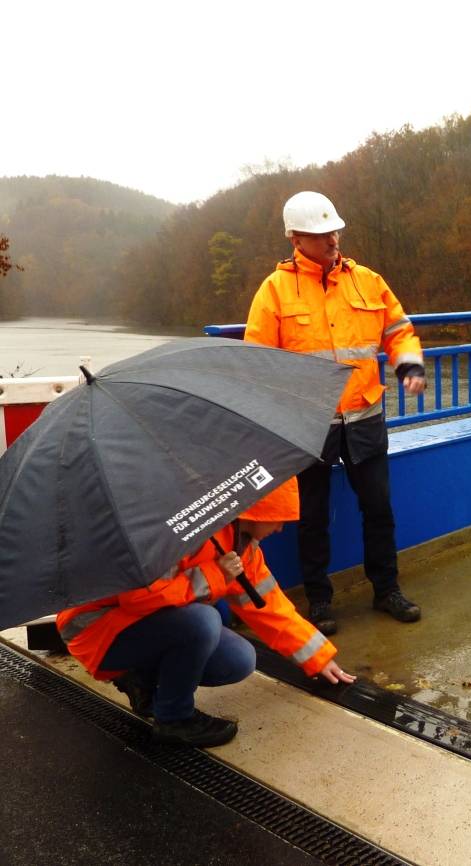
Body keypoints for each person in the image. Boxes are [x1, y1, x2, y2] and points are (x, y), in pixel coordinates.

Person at [245, 191, 426, 636]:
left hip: (364, 416)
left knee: (379, 508)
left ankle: (387, 590)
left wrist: (409, 364)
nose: (332, 240)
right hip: (309, 424)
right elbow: (258, 359)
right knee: (312, 518)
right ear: (296, 238)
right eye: (321, 234)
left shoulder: (367, 280)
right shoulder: (275, 291)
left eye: (335, 231)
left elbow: (397, 328)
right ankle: (320, 601)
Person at [56, 479, 356, 747]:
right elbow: (138, 599)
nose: (280, 529)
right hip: (96, 632)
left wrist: (319, 659)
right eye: (280, 519)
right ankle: (173, 720)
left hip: (136, 628)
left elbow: (269, 607)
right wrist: (214, 576)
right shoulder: (179, 533)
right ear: (258, 512)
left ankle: (142, 680)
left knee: (239, 660)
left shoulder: (241, 545)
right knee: (204, 622)